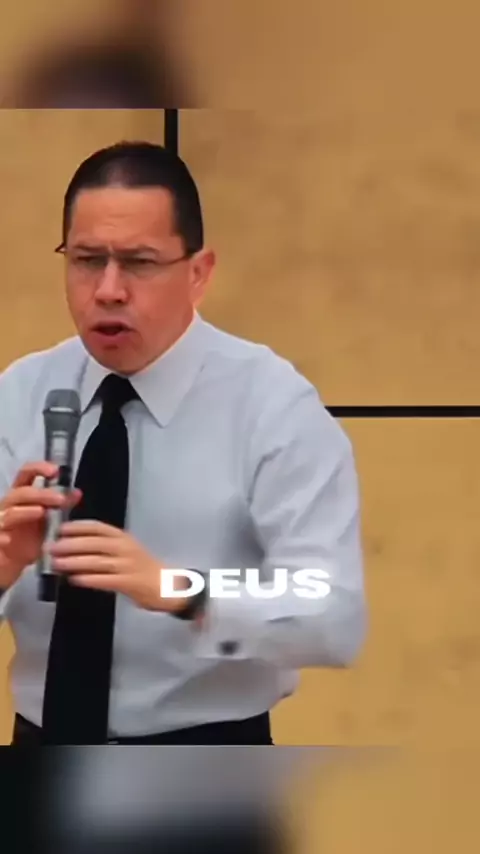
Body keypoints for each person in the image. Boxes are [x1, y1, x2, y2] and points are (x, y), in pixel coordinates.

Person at [0, 141, 366, 747]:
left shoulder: (272, 405)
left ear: (199, 272)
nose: (108, 289)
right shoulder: (19, 393)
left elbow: (334, 613)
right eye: (87, 260)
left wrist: (183, 590)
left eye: (139, 263)